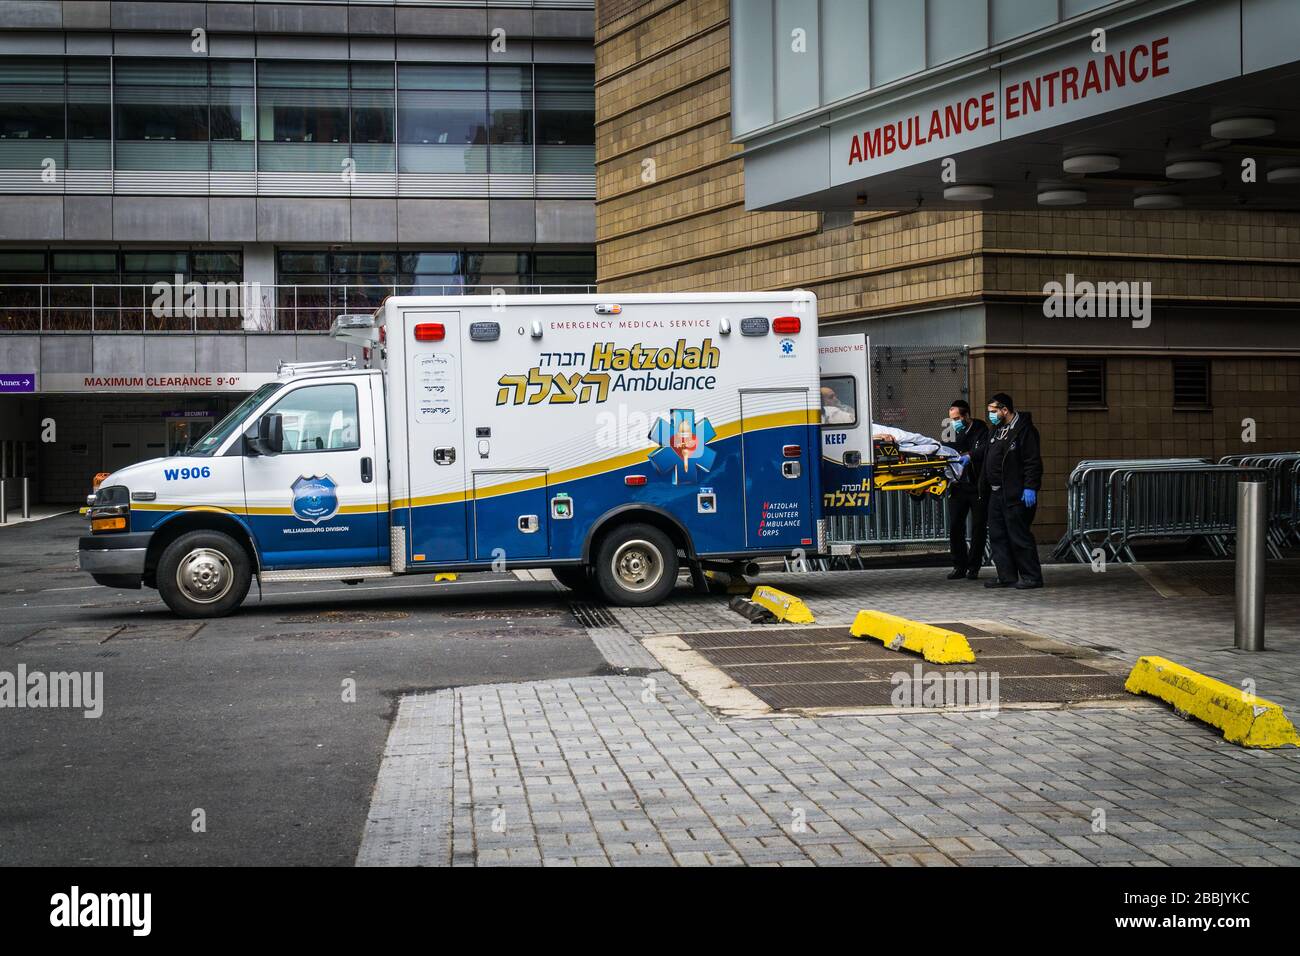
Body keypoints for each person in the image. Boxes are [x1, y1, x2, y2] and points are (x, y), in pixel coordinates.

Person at [979, 392, 1044, 590]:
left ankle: (1031, 576)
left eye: (993, 411)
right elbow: (986, 454)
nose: (990, 415)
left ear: (1004, 410)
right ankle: (1006, 575)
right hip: (996, 493)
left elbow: (1032, 462)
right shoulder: (996, 429)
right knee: (998, 535)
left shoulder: (1024, 431)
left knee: (1019, 535)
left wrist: (1030, 487)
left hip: (1015, 494)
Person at [944, 400, 988, 580]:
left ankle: (974, 566)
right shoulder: (950, 429)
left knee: (978, 527)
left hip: (976, 485)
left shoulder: (981, 430)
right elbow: (945, 448)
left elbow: (985, 450)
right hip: (958, 485)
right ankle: (959, 565)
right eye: (951, 418)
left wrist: (969, 456)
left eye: (956, 418)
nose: (953, 422)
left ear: (966, 416)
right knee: (955, 526)